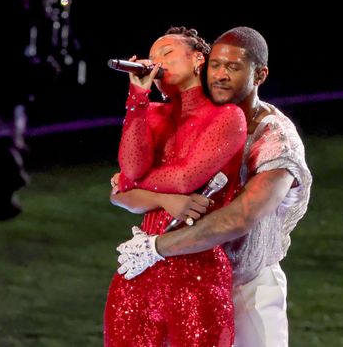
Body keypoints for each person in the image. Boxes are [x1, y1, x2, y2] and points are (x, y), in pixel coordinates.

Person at [113, 26, 312, 347]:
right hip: (179, 275)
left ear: (259, 75)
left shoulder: (276, 139)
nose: (219, 75)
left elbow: (240, 217)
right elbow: (122, 192)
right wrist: (151, 193)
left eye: (232, 68)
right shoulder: (183, 117)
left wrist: (157, 247)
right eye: (215, 65)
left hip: (248, 284)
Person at [103, 26, 247, 346]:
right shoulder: (150, 113)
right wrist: (137, 99)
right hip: (139, 268)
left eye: (166, 53)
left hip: (197, 269)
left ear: (198, 59)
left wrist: (133, 185)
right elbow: (130, 171)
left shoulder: (226, 117)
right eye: (151, 58)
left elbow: (185, 178)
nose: (156, 63)